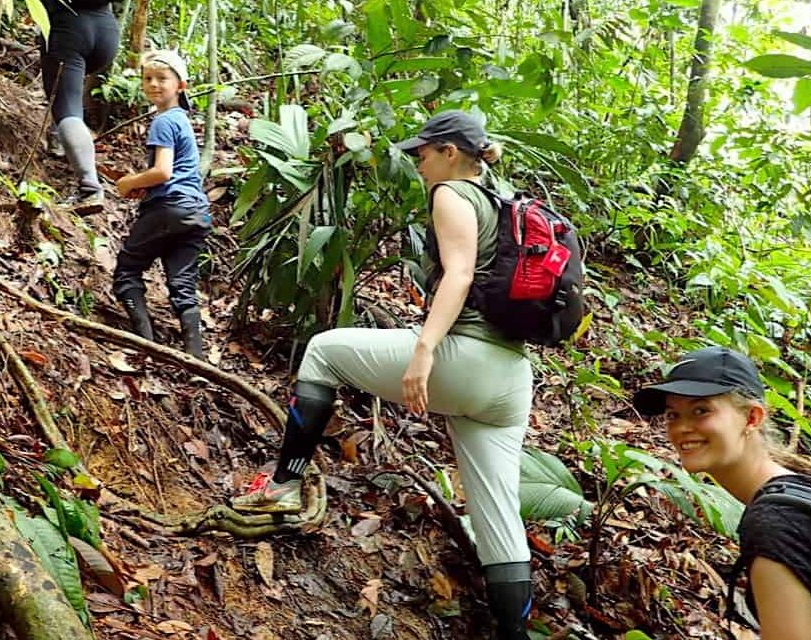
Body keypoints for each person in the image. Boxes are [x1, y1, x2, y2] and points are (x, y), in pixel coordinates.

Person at [231, 111, 535, 639]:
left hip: (463, 361)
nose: (417, 161)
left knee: (323, 353)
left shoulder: (453, 193)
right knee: (499, 522)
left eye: (423, 152)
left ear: (449, 153)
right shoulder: (499, 201)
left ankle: (282, 486)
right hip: (511, 382)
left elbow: (460, 274)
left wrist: (423, 351)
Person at [632, 346, 811, 639]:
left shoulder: (775, 523)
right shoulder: (800, 491)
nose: (681, 428)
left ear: (752, 418)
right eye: (673, 415)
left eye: (701, 410)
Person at [112, 50, 211, 358]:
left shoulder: (164, 121)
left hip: (169, 209)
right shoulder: (182, 120)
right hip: (195, 213)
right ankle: (197, 358)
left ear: (180, 85)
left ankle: (146, 343)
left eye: (162, 78)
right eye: (147, 78)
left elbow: (163, 172)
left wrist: (129, 182)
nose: (153, 84)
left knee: (127, 271)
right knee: (183, 284)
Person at [39, 0, 120, 214]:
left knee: (68, 111)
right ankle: (57, 137)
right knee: (70, 94)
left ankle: (90, 187)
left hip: (68, 29)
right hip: (107, 31)